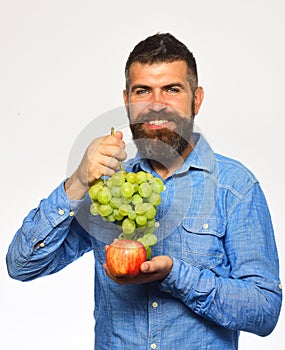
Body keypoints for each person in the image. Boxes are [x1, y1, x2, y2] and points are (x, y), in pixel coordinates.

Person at [6, 33, 282, 349]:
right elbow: (22, 265)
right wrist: (78, 181)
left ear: (197, 99)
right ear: (126, 100)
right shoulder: (109, 188)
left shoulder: (235, 188)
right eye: (143, 91)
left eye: (172, 90)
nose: (156, 105)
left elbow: (264, 311)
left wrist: (176, 276)